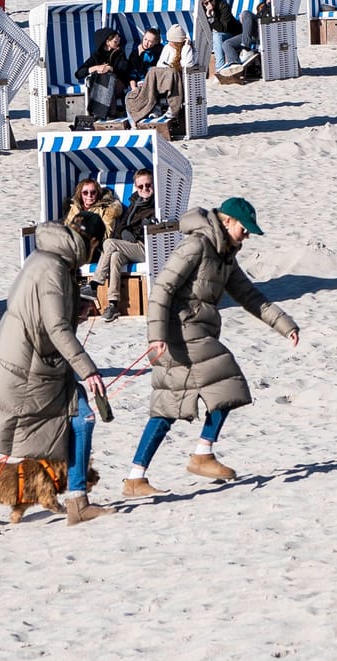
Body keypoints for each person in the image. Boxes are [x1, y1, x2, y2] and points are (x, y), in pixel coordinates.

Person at [123, 197, 298, 497]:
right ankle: (202, 454)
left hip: (198, 332)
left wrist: (285, 325)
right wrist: (156, 336)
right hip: (180, 331)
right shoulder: (197, 246)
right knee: (227, 380)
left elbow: (250, 296)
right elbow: (162, 287)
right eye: (245, 228)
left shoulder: (225, 255)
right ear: (227, 220)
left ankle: (135, 477)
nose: (248, 235)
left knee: (168, 405)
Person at [0, 219, 110, 538]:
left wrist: (75, 306)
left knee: (82, 418)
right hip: (24, 369)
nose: (93, 254)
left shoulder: (51, 260)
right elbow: (55, 327)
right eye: (96, 246)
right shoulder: (51, 266)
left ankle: (78, 501)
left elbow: (48, 315)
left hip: (40, 366)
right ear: (88, 240)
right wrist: (88, 369)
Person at [96, 169, 157, 321]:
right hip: (132, 247)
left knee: (109, 243)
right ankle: (113, 304)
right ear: (136, 187)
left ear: (153, 185)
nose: (145, 189)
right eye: (141, 186)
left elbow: (157, 227)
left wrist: (141, 229)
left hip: (146, 247)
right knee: (115, 256)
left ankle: (94, 285)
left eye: (148, 185)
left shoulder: (157, 204)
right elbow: (122, 225)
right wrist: (124, 232)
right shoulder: (134, 202)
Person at [125, 22, 195, 127]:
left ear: (156, 42)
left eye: (150, 41)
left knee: (164, 72)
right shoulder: (137, 52)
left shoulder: (157, 51)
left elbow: (186, 64)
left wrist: (185, 48)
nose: (146, 43)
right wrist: (133, 86)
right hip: (147, 81)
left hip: (158, 82)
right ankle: (134, 124)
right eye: (145, 39)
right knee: (130, 96)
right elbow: (133, 71)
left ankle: (143, 117)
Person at [201, 0, 259, 77]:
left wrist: (211, 18)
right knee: (221, 41)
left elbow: (223, 28)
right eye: (206, 3)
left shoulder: (223, 6)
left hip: (233, 33)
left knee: (217, 36)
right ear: (203, 4)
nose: (210, 4)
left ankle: (219, 69)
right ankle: (231, 67)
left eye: (211, 0)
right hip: (223, 38)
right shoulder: (203, 12)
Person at [74, 28, 129, 121]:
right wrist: (96, 68)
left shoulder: (119, 53)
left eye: (118, 41)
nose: (118, 43)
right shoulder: (96, 55)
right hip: (103, 86)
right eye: (115, 41)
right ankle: (110, 113)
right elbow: (78, 73)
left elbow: (124, 70)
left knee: (108, 77)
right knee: (104, 78)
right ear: (107, 42)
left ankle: (102, 113)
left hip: (118, 84)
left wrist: (111, 68)